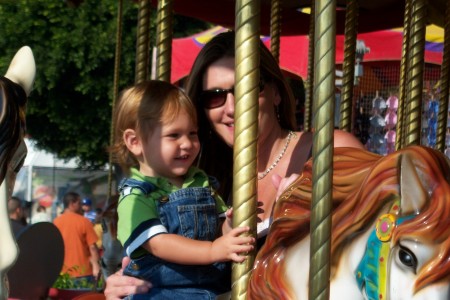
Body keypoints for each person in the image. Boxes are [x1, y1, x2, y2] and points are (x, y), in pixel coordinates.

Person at [104, 31, 364, 299]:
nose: (231, 107)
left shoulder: (329, 151)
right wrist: (124, 284)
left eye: (247, 88)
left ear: (276, 92)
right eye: (214, 96)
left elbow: (380, 244)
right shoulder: (200, 176)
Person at [109, 80, 254, 299]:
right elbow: (158, 243)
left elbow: (217, 230)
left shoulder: (200, 181)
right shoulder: (137, 196)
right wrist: (213, 250)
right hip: (162, 290)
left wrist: (229, 226)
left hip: (210, 285)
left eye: (192, 133)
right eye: (174, 135)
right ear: (135, 141)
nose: (187, 143)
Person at [53, 191, 100, 283]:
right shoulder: (84, 222)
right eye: (79, 203)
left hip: (62, 273)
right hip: (83, 272)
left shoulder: (56, 222)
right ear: (72, 204)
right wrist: (96, 266)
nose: (81, 206)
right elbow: (93, 247)